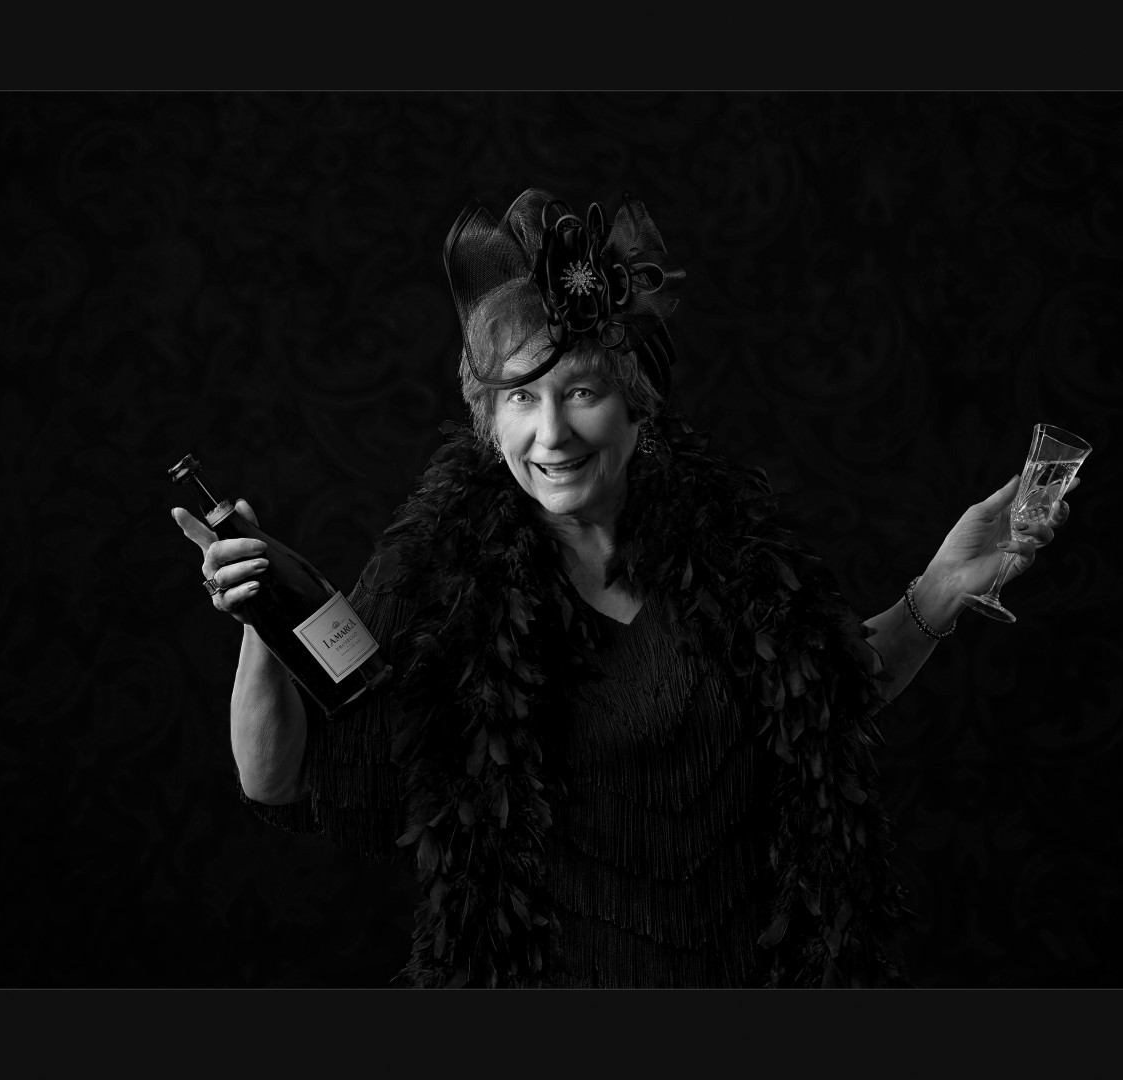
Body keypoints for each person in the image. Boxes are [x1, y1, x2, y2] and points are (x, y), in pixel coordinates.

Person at [171, 188, 1076, 988]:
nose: (551, 434)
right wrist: (263, 615)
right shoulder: (435, 572)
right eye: (518, 398)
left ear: (636, 402)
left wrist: (939, 589)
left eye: (581, 392)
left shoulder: (729, 543)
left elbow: (824, 692)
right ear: (487, 420)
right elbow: (279, 781)